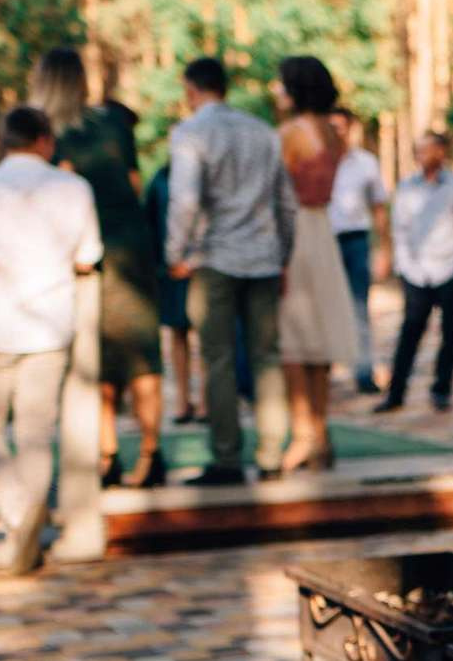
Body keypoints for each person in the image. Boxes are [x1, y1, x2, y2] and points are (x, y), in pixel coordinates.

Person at [0, 108, 102, 574]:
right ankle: (29, 511)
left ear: (3, 139)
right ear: (45, 139)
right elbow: (89, 256)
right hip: (51, 323)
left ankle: (16, 510)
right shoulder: (74, 188)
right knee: (35, 432)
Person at [32, 49, 165, 488]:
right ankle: (151, 451)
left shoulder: (46, 134)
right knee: (143, 356)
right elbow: (133, 182)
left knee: (96, 359)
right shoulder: (112, 123)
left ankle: (107, 453)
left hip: (87, 256)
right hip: (134, 245)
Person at [165, 56, 297, 485]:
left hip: (215, 257)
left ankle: (227, 457)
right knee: (267, 357)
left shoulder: (191, 133)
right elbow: (286, 201)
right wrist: (284, 253)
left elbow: (184, 200)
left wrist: (174, 252)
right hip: (263, 255)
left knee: (218, 358)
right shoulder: (263, 132)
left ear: (191, 90)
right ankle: (271, 454)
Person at [273, 56, 357, 471]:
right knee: (319, 341)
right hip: (322, 230)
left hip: (296, 230)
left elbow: (278, 189)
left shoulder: (290, 134)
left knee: (292, 340)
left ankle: (302, 434)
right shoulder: (333, 133)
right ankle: (321, 433)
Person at [376, 130, 453, 414]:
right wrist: (404, 265)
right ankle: (396, 392)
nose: (422, 156)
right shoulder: (406, 187)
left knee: (450, 333)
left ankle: (441, 389)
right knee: (410, 331)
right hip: (417, 271)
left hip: (449, 267)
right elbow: (400, 230)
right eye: (418, 151)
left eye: (427, 150)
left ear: (441, 152)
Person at [326, 109, 388, 396]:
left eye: (340, 126)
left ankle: (363, 371)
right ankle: (322, 372)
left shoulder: (365, 163)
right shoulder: (317, 162)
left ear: (350, 128)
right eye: (331, 126)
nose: (336, 132)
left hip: (356, 240)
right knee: (322, 309)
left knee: (359, 307)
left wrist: (384, 248)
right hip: (324, 242)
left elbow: (378, 208)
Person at [143, 161, 198, 424]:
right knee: (177, 332)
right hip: (171, 267)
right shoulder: (161, 178)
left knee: (208, 334)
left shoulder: (206, 172)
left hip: (203, 264)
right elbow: (150, 220)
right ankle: (182, 401)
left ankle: (206, 404)